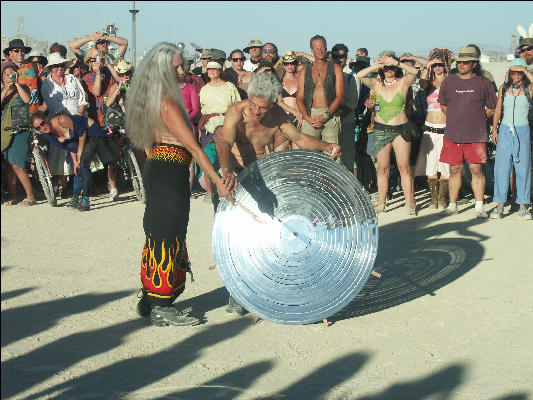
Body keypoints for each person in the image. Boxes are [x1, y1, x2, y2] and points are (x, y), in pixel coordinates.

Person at [218, 72, 341, 315]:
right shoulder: (236, 111)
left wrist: (327, 146)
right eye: (253, 104)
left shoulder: (277, 114)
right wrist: (226, 169)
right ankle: (236, 292)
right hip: (235, 174)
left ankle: (260, 288)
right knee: (234, 236)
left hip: (263, 176)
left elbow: (300, 139)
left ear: (273, 103)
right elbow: (224, 142)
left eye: (262, 108)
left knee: (266, 231)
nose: (255, 112)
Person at [125, 42, 229, 327]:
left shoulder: (148, 100)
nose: (184, 71)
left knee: (159, 232)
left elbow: (144, 145)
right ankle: (161, 305)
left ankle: (152, 297)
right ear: (164, 71)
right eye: (178, 67)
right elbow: (194, 147)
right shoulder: (168, 103)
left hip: (159, 166)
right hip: (170, 170)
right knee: (168, 233)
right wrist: (217, 180)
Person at [356, 50, 419, 215]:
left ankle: (408, 203)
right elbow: (360, 75)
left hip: (400, 129)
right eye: (386, 68)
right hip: (380, 129)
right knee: (382, 168)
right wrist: (379, 64)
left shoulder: (403, 83)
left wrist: (396, 62)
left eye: (391, 67)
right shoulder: (377, 84)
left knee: (403, 166)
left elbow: (415, 72)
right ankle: (382, 202)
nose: (389, 70)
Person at [438, 46, 498, 218]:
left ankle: (479, 206)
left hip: (476, 134)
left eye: (466, 62)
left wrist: (477, 117)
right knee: (454, 169)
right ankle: (452, 205)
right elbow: (443, 105)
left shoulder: (483, 82)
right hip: (453, 134)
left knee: (476, 169)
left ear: (474, 64)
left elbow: (493, 107)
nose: (462, 65)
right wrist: (457, 117)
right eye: (460, 62)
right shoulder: (449, 82)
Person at [30, 111, 116, 211]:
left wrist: (79, 154)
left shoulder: (61, 120)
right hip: (77, 139)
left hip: (90, 132)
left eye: (43, 123)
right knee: (76, 166)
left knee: (83, 163)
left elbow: (82, 133)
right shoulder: (47, 134)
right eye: (38, 128)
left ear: (46, 119)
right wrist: (75, 161)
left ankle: (85, 199)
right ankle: (76, 196)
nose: (42, 127)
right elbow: (69, 145)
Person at [41, 52, 88, 198]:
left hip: (78, 117)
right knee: (62, 154)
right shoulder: (47, 84)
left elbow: (82, 96)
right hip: (59, 121)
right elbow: (53, 104)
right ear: (51, 68)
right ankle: (63, 185)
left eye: (61, 65)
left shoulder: (72, 78)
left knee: (81, 151)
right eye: (56, 66)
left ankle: (80, 185)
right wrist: (67, 119)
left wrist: (80, 112)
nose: (59, 68)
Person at [490, 58, 532, 220]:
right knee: (501, 168)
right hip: (505, 130)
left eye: (519, 72)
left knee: (523, 168)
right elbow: (498, 109)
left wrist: (526, 70)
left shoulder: (529, 88)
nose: (515, 75)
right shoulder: (504, 88)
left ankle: (523, 206)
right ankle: (499, 204)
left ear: (523, 73)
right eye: (513, 72)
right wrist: (495, 129)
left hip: (523, 131)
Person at [413, 48, 454, 209]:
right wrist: (427, 66)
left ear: (446, 65)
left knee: (445, 164)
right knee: (430, 164)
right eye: (435, 65)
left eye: (440, 64)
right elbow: (421, 83)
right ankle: (433, 197)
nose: (437, 68)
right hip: (430, 128)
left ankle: (443, 197)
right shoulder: (428, 83)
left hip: (446, 128)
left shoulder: (451, 81)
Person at [198, 61, 241, 204]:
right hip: (210, 126)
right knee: (209, 161)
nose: (211, 71)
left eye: (214, 69)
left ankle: (234, 189)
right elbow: (201, 109)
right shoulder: (204, 89)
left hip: (228, 124)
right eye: (209, 69)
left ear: (219, 71)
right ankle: (210, 193)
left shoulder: (229, 86)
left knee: (231, 158)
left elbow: (237, 105)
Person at [81, 48, 119, 201]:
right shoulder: (87, 77)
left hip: (109, 118)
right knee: (92, 157)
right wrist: (97, 74)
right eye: (91, 61)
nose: (94, 63)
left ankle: (113, 187)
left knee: (111, 156)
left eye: (96, 60)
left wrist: (108, 65)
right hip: (94, 121)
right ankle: (90, 189)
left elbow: (119, 81)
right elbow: (96, 92)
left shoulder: (108, 73)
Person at [296, 35, 344, 150]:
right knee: (309, 154)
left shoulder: (336, 68)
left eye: (322, 48)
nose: (320, 51)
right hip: (310, 114)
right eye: (317, 48)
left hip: (330, 114)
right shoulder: (305, 70)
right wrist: (306, 117)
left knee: (332, 153)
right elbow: (299, 97)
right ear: (312, 50)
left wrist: (326, 115)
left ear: (326, 48)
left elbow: (340, 95)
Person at [1, 61, 36, 205]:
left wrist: (16, 85)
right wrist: (5, 90)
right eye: (6, 74)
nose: (9, 76)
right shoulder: (2, 91)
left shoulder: (22, 88)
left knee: (17, 165)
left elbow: (28, 100)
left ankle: (30, 195)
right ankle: (14, 197)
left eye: (12, 73)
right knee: (9, 166)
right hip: (5, 132)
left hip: (21, 129)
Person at [332, 43, 359, 177]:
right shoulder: (329, 72)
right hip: (331, 123)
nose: (338, 58)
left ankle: (351, 190)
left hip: (346, 122)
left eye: (341, 56)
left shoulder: (352, 76)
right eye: (335, 56)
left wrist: (336, 118)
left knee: (348, 159)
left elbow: (352, 104)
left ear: (346, 57)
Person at [4, 39, 41, 114]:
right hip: (16, 114)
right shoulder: (5, 70)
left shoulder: (35, 66)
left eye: (22, 50)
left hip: (36, 112)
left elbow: (45, 87)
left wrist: (44, 106)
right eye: (16, 51)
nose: (20, 53)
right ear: (10, 53)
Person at [277, 51, 303, 135]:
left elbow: (319, 65)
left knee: (298, 147)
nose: (289, 66)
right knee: (280, 148)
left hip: (298, 118)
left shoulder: (301, 79)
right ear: (283, 65)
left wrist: (303, 54)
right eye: (286, 63)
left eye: (292, 63)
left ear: (296, 63)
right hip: (283, 118)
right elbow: (279, 101)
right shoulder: (278, 80)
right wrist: (295, 112)